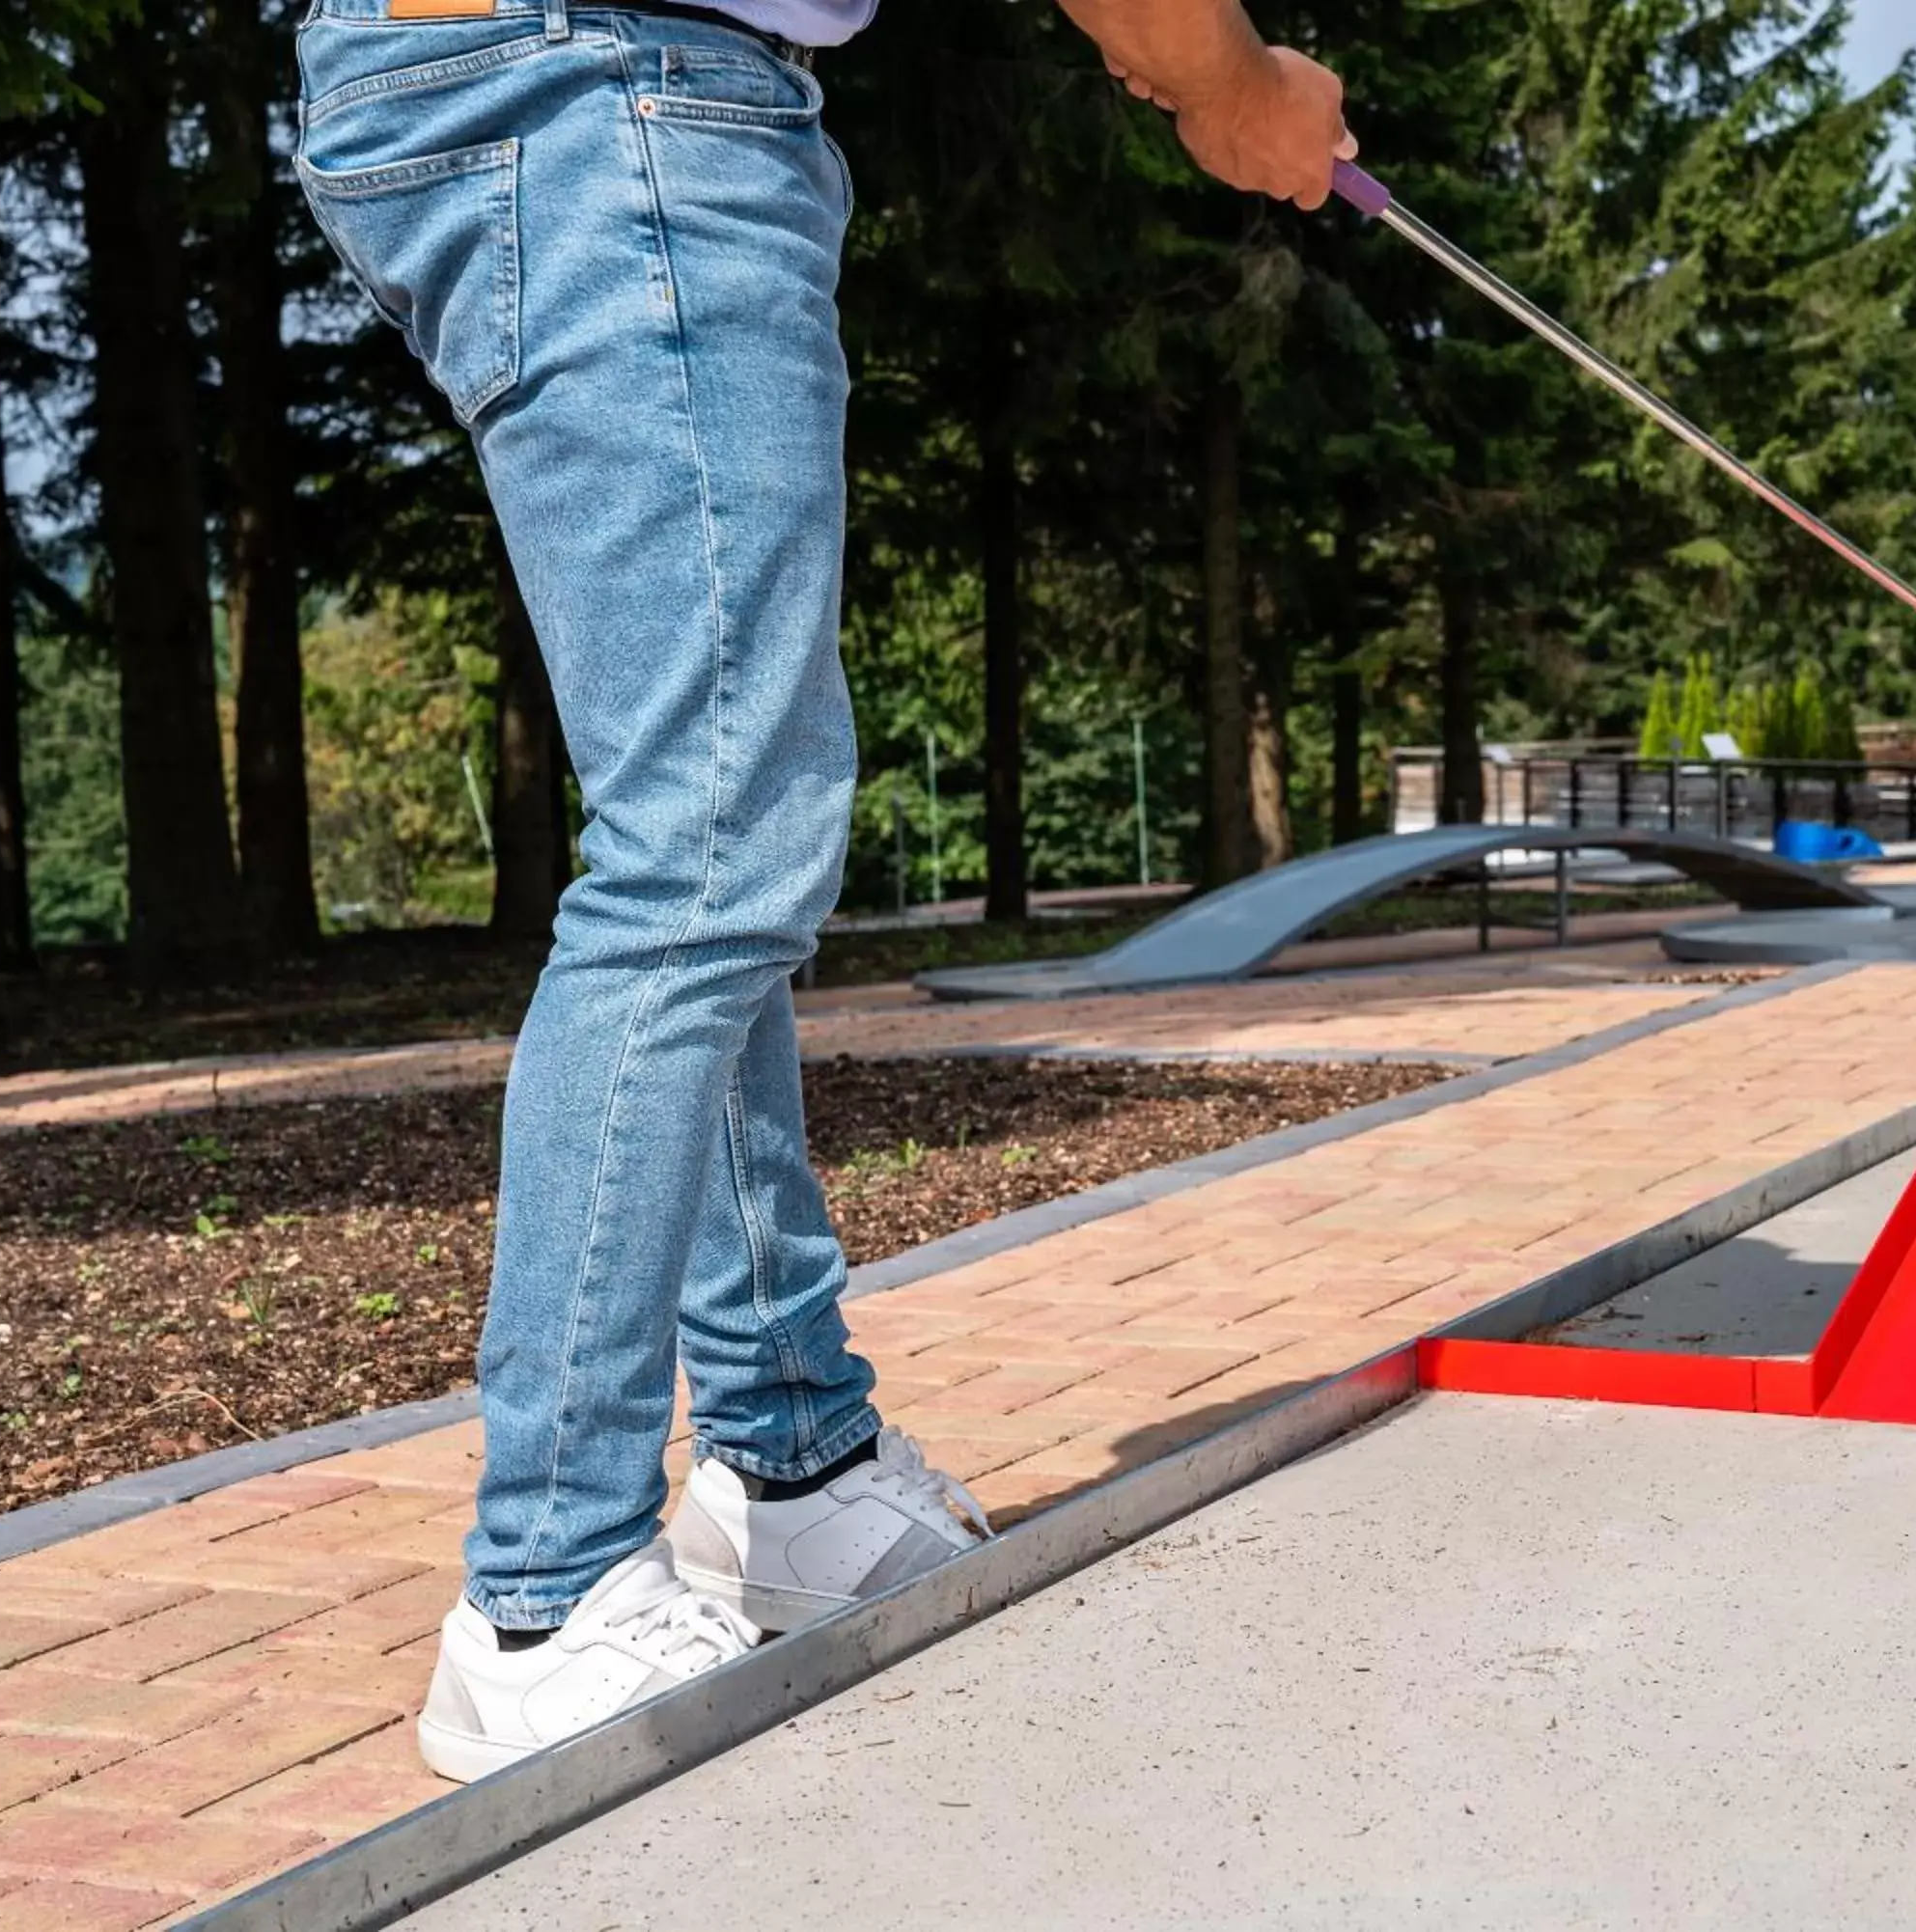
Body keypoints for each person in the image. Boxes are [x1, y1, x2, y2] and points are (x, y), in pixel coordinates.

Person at [292, 0, 1350, 1780]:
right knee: (707, 840)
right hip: (610, 82)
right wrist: (1233, 82)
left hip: (527, 77)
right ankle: (545, 1599)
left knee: (706, 829)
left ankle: (791, 1459)